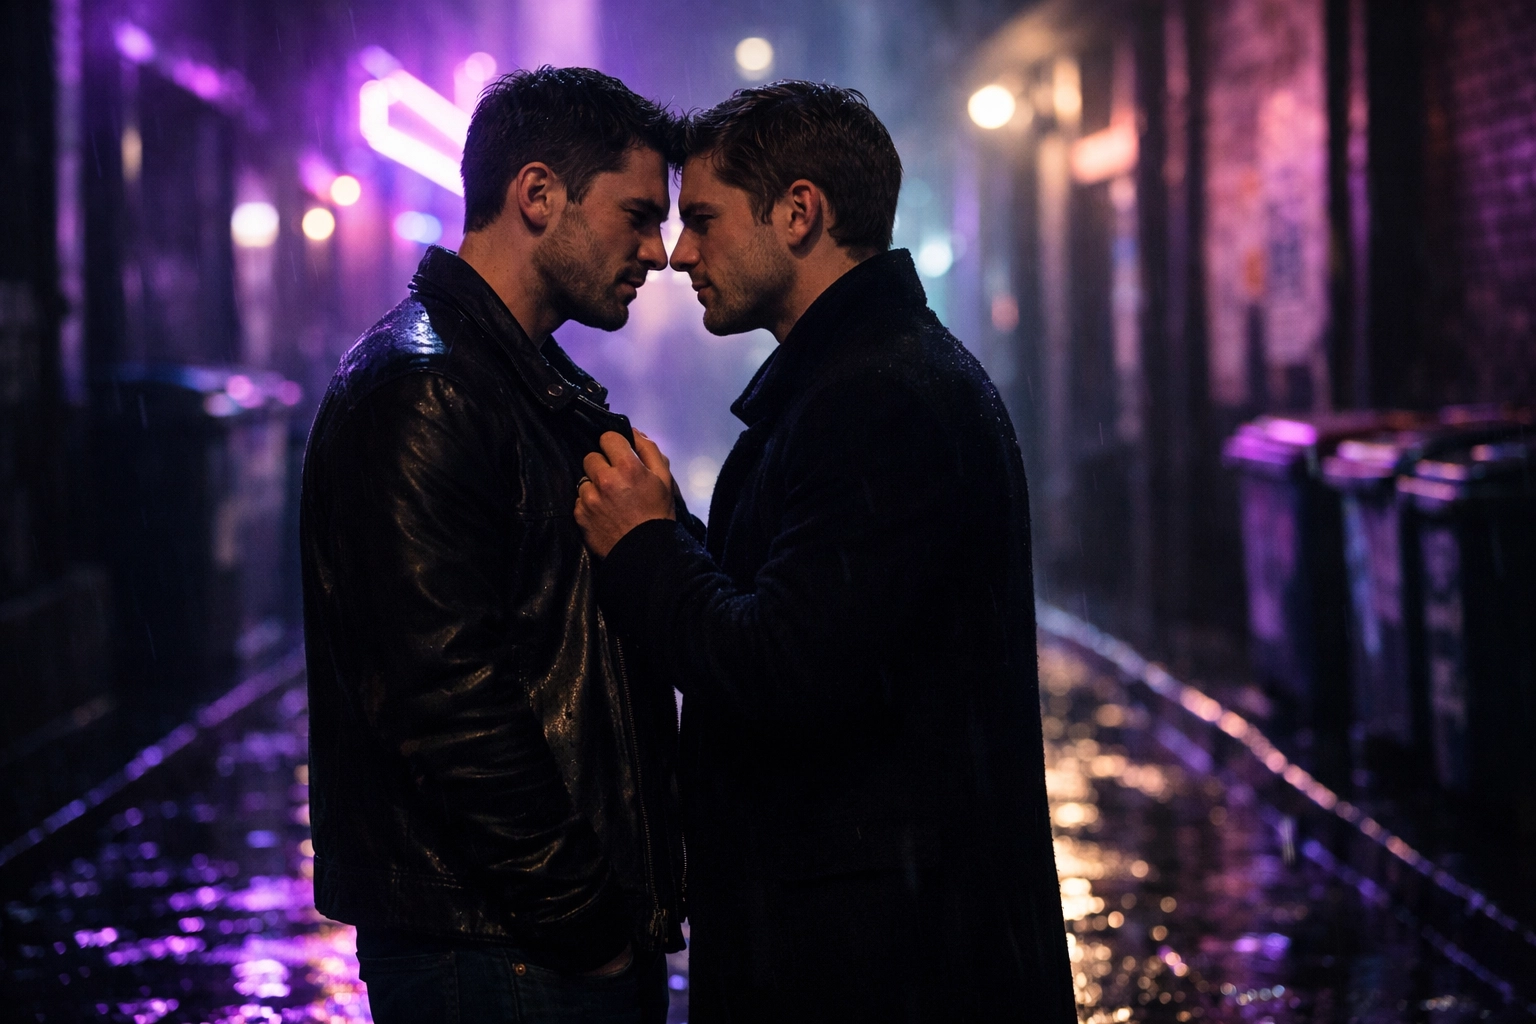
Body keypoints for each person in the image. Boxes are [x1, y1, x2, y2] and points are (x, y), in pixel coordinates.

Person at [574, 81, 1076, 1021]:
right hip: (873, 936)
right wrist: (666, 526)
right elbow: (799, 600)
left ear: (800, 213)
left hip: (879, 960)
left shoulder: (880, 401)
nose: (681, 255)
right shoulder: (867, 379)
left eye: (708, 221)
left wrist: (645, 546)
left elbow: (781, 665)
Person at [299, 67, 686, 1024]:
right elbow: (445, 701)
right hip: (497, 954)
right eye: (637, 214)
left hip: (528, 945)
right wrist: (585, 921)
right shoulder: (427, 390)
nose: (659, 251)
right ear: (539, 194)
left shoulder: (525, 387)